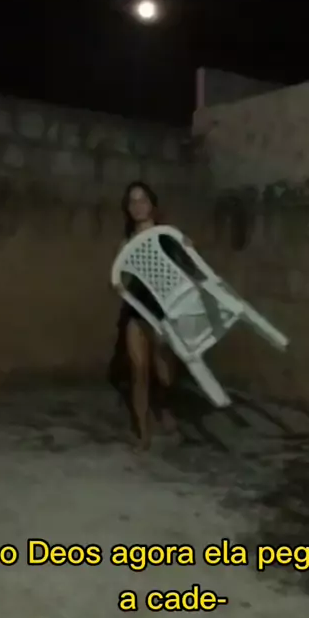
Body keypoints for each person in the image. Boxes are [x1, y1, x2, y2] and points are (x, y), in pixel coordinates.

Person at [111, 181, 182, 451]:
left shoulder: (168, 236)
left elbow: (187, 268)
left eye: (142, 200)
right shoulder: (126, 244)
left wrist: (187, 247)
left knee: (164, 374)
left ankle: (163, 407)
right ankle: (143, 431)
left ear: (152, 204)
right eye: (132, 201)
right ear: (127, 208)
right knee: (138, 371)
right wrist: (118, 284)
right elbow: (118, 279)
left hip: (165, 311)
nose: (138, 205)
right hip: (137, 312)